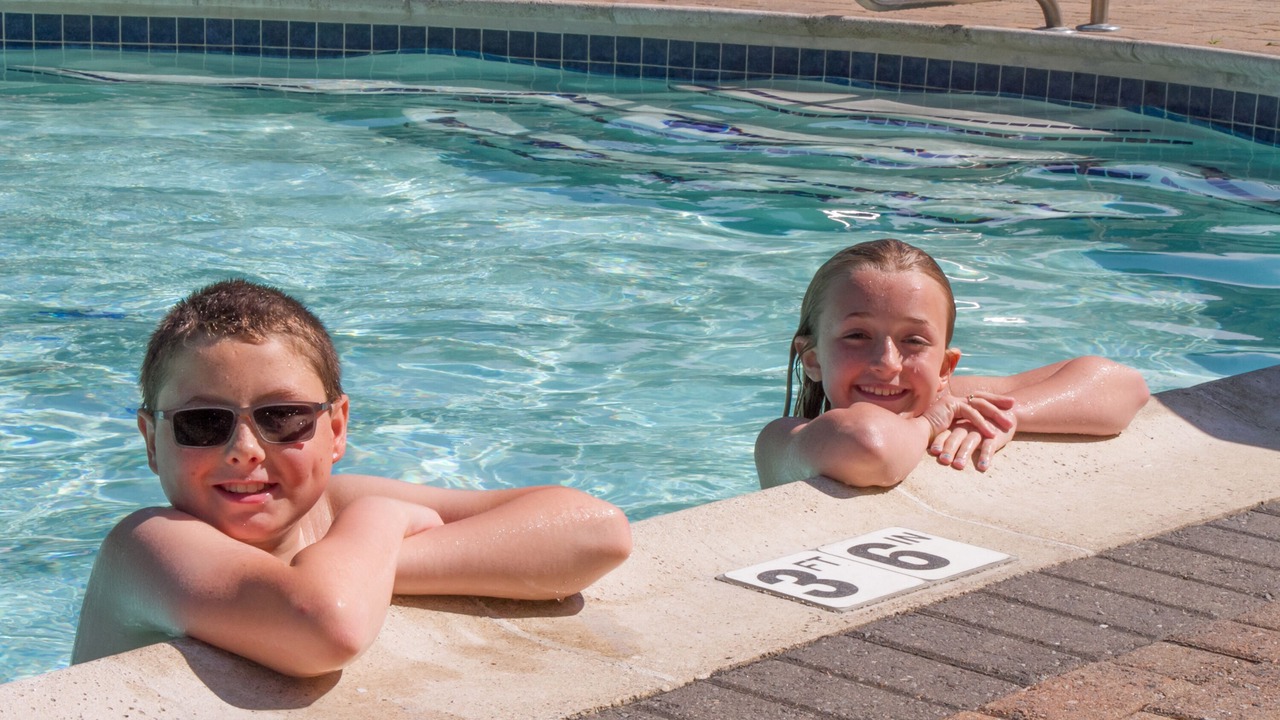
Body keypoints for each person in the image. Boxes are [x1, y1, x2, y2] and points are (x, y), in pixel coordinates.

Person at [73, 279, 632, 677]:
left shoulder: (331, 512)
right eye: (203, 422)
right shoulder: (147, 544)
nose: (245, 450)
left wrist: (365, 564)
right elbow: (323, 629)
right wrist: (378, 523)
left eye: (283, 417)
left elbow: (595, 532)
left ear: (335, 427)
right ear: (151, 440)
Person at [755, 238, 1149, 490]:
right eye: (857, 336)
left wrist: (997, 417)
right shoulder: (783, 440)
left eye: (913, 340)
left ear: (945, 367)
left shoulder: (949, 401)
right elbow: (868, 444)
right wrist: (930, 424)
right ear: (812, 359)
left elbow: (1121, 384)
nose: (887, 364)